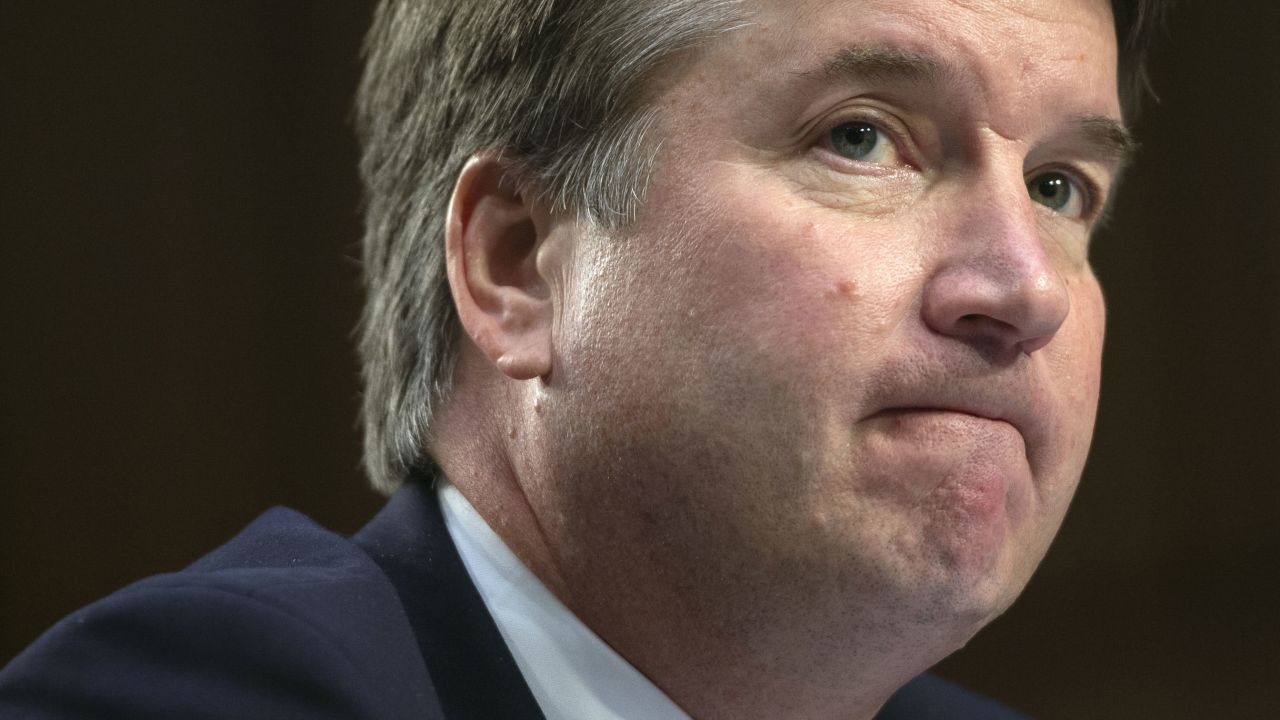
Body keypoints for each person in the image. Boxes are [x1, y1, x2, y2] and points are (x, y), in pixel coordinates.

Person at [0, 0, 1166, 717]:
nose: (1022, 291)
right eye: (860, 138)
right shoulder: (221, 697)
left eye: (1060, 187)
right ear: (517, 264)